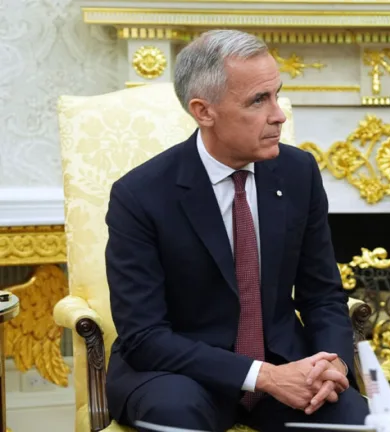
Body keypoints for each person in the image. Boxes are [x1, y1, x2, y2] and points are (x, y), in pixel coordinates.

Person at [104, 29, 369, 431]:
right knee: (174, 412)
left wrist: (332, 365)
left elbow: (322, 295)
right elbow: (145, 336)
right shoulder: (140, 195)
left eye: (277, 95)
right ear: (203, 112)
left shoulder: (299, 172)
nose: (279, 115)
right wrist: (263, 376)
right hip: (182, 372)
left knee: (355, 419)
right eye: (258, 100)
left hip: (286, 362)